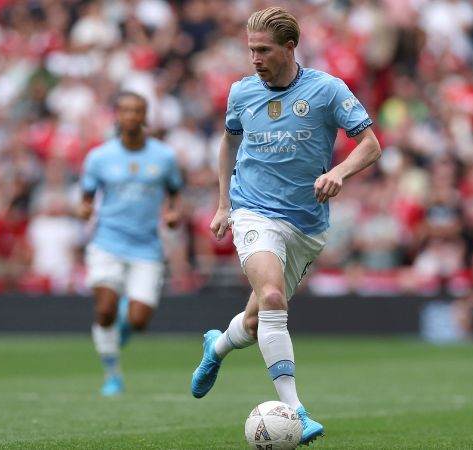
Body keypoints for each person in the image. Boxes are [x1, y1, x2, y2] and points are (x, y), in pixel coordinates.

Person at [190, 6, 381, 445]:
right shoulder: (241, 92)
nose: (254, 58)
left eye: (264, 50)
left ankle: (217, 346)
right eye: (250, 50)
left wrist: (339, 173)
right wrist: (223, 205)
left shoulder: (327, 90)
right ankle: (297, 409)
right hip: (253, 211)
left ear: (290, 47)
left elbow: (370, 145)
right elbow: (228, 143)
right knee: (273, 295)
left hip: (307, 225)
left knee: (259, 320)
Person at [78, 91, 183, 396]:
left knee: (138, 321)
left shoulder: (164, 157)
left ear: (145, 117)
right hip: (107, 242)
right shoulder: (99, 157)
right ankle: (113, 375)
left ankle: (118, 327)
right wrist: (83, 209)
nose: (132, 116)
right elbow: (86, 197)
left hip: (147, 246)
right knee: (105, 309)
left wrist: (173, 213)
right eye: (125, 110)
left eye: (138, 111)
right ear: (117, 116)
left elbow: (175, 192)